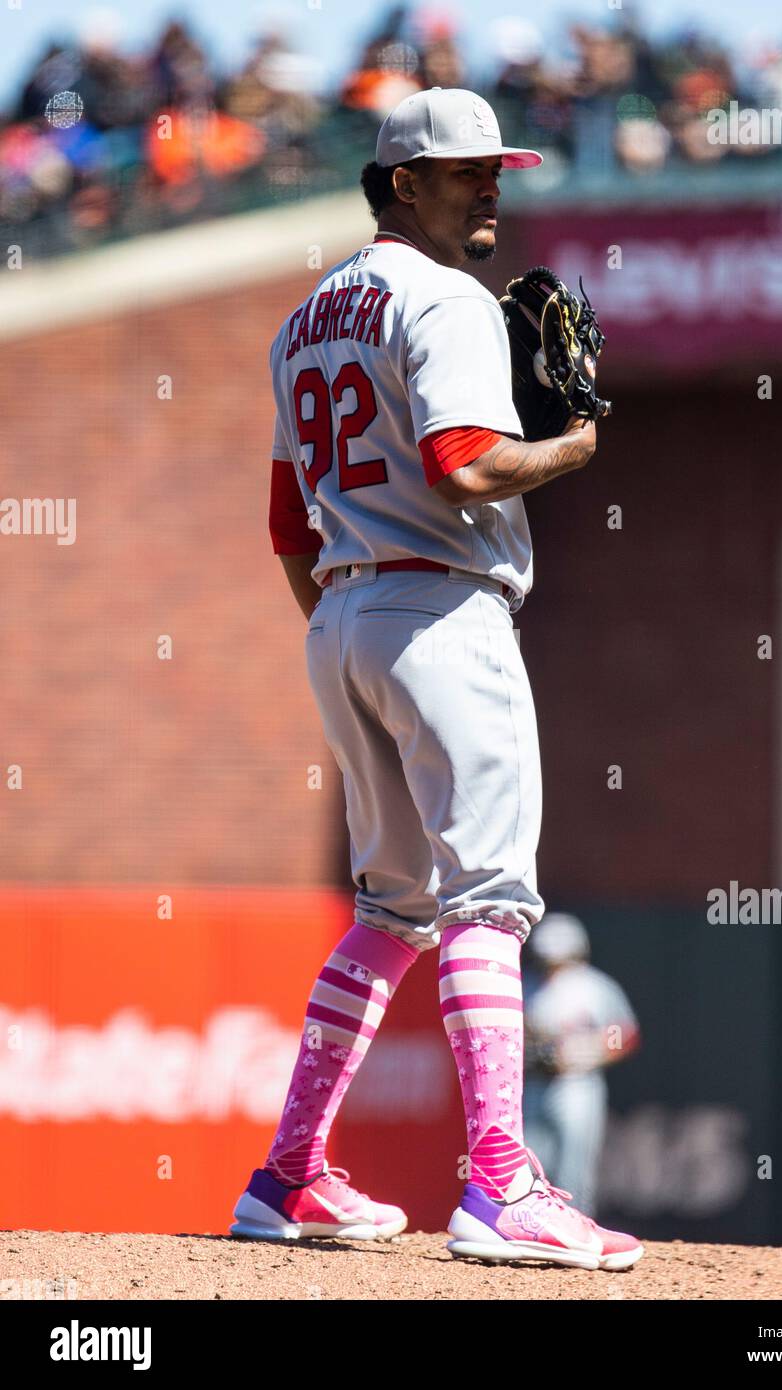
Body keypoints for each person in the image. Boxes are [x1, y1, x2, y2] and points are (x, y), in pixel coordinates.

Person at [229, 86, 643, 1271]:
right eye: (464, 171)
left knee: (393, 906)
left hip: (349, 609)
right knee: (488, 898)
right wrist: (574, 444)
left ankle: (290, 1172)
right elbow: (464, 467)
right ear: (399, 184)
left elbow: (283, 528)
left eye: (495, 169)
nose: (488, 187)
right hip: (442, 605)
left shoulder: (303, 319)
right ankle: (502, 1187)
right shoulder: (445, 296)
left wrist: (354, 636)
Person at [523, 913, 641, 1217]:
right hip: (532, 1082)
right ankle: (530, 1224)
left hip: (577, 1084)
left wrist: (590, 1051)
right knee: (529, 1163)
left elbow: (624, 1035)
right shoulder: (527, 984)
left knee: (575, 1167)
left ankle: (578, 1223)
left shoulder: (594, 986)